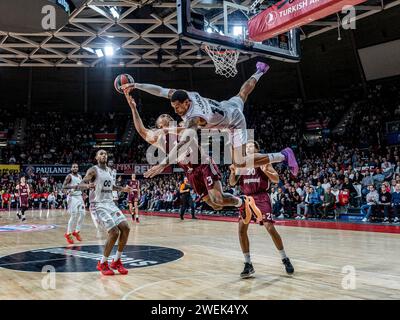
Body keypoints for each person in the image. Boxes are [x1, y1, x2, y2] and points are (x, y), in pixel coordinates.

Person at [123, 62, 298, 177]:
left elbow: (184, 141)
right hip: (225, 106)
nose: (175, 109)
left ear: (186, 103)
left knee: (240, 162)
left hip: (234, 123)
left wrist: (162, 164)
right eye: (173, 107)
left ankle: (283, 155)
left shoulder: (195, 118)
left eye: (178, 107)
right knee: (242, 94)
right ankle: (260, 70)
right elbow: (160, 90)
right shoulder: (185, 95)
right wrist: (136, 85)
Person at [123, 92, 256, 221]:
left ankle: (242, 202)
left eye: (168, 115)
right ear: (158, 125)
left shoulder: (182, 125)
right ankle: (240, 202)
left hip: (203, 163)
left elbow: (190, 129)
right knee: (215, 205)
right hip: (190, 171)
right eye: (163, 116)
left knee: (218, 199)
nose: (167, 116)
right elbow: (141, 130)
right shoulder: (159, 138)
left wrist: (168, 131)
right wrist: (134, 108)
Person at [229, 140, 294, 278]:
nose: (248, 148)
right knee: (241, 229)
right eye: (246, 147)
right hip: (246, 198)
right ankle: (248, 264)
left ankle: (284, 258)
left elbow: (276, 179)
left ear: (257, 149)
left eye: (251, 145)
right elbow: (232, 182)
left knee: (269, 227)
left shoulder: (263, 161)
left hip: (261, 197)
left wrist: (267, 171)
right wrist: (233, 172)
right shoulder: (241, 163)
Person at [79, 150, 132, 276]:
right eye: (101, 154)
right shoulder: (93, 170)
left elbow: (111, 186)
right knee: (114, 232)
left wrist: (123, 189)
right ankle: (102, 263)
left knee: (126, 228)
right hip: (98, 205)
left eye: (106, 154)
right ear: (97, 157)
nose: (104, 155)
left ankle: (117, 261)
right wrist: (86, 186)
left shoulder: (109, 170)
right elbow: (81, 183)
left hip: (110, 203)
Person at [62, 163, 85, 244]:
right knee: (74, 215)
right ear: (71, 168)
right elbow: (63, 186)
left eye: (76, 167)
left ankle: (77, 231)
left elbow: (81, 186)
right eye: (74, 167)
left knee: (83, 214)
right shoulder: (69, 176)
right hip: (72, 197)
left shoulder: (79, 176)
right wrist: (73, 187)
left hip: (79, 196)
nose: (75, 168)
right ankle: (68, 234)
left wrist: (83, 193)